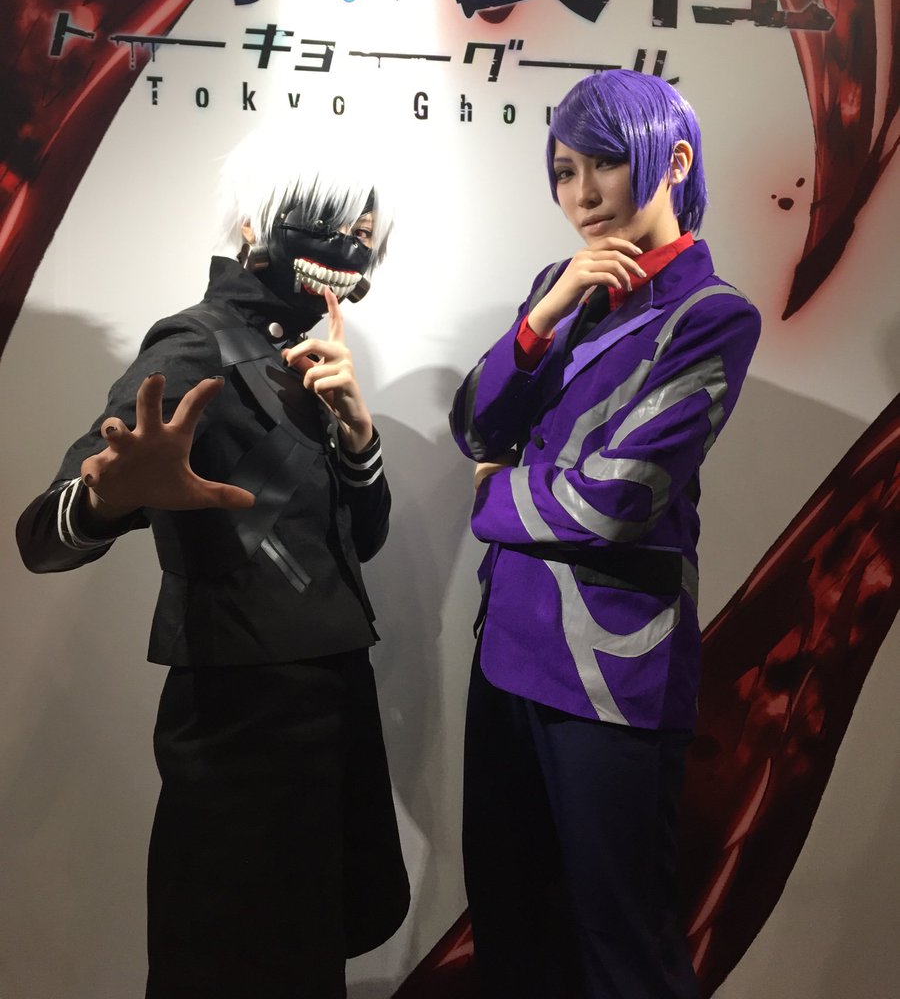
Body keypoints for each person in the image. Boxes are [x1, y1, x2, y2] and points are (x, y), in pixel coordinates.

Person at [16, 132, 409, 999]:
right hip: (241, 725)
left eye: (364, 235)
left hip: (328, 703)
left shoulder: (304, 355)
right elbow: (42, 533)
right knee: (225, 959)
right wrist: (110, 496)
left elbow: (361, 541)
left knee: (306, 955)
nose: (350, 250)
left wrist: (358, 434)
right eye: (328, 222)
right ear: (256, 222)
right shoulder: (194, 345)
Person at [449, 69, 761, 998]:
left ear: (673, 161)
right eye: (563, 171)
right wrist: (541, 317)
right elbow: (475, 428)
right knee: (509, 925)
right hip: (507, 649)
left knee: (621, 942)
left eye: (603, 166)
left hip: (610, 670)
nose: (582, 196)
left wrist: (492, 501)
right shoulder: (563, 289)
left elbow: (615, 499)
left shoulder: (713, 315)